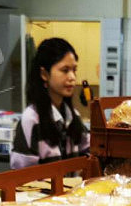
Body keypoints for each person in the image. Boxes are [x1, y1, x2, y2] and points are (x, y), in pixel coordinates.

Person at [11, 37, 90, 169]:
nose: (72, 77)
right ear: (44, 74)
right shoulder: (31, 119)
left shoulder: (73, 116)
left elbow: (91, 150)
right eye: (65, 70)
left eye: (74, 70)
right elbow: (21, 178)